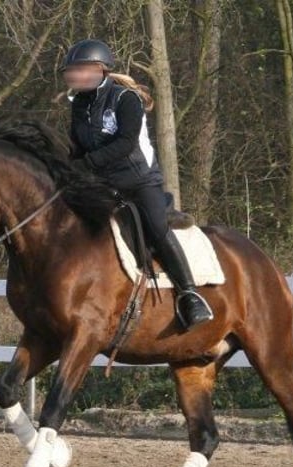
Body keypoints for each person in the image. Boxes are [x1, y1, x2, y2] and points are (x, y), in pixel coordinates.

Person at [60, 38, 213, 330]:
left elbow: (125, 143)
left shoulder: (125, 99)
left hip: (139, 181)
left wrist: (87, 164)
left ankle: (190, 294)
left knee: (157, 228)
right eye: (71, 71)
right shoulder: (80, 104)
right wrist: (66, 169)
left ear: (98, 69)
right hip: (102, 183)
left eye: (78, 70)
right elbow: (77, 147)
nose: (73, 76)